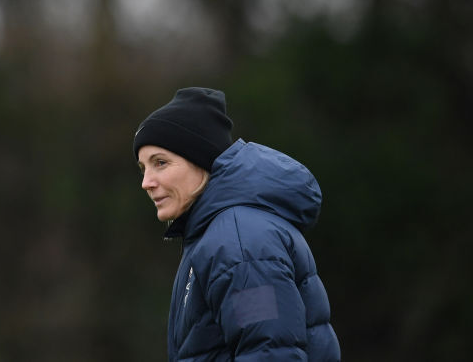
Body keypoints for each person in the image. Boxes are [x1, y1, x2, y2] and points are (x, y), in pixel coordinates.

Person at [134, 87, 340, 361]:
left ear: (202, 159)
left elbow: (269, 353)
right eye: (143, 167)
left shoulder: (240, 243)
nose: (147, 182)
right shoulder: (219, 233)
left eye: (160, 163)